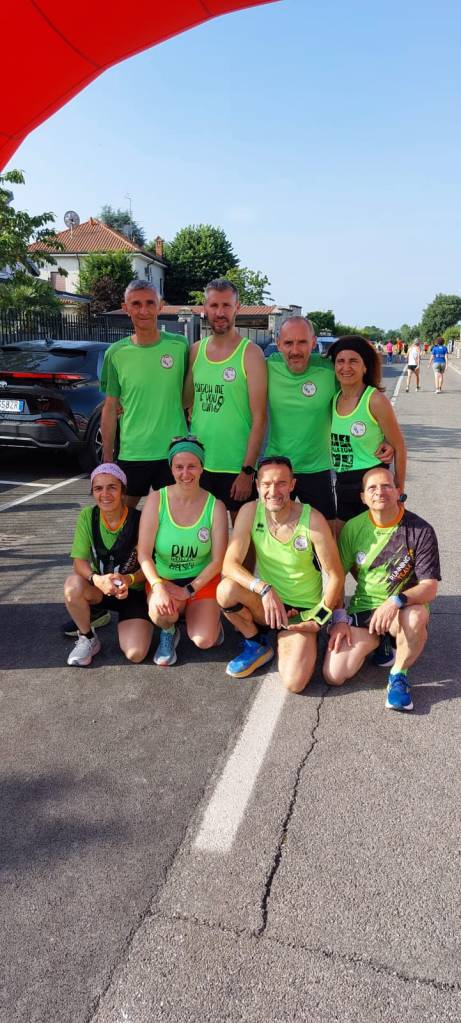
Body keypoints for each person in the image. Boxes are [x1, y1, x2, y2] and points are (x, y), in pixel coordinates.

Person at [216, 456, 344, 692]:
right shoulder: (250, 511)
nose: (273, 491)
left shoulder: (312, 519)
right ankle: (256, 642)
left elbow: (336, 575)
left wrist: (319, 618)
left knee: (295, 683)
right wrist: (264, 589)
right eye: (266, 484)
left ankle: (298, 639)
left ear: (292, 485)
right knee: (226, 590)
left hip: (302, 612)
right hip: (267, 604)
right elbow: (229, 565)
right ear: (257, 485)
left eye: (281, 483)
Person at [322, 467, 440, 712]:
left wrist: (395, 601)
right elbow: (337, 578)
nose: (380, 492)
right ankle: (382, 641)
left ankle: (398, 675)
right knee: (334, 675)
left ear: (398, 491)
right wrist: (339, 619)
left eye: (386, 485)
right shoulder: (353, 528)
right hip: (365, 607)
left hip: (402, 609)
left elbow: (429, 588)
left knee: (416, 617)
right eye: (372, 488)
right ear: (363, 497)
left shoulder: (421, 530)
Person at [264, 318, 394, 522]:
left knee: (325, 533)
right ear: (279, 344)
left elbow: (361, 398)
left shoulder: (329, 369)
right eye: (288, 343)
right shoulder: (267, 366)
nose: (295, 350)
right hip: (276, 467)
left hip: (317, 468)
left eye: (302, 342)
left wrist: (386, 437)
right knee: (272, 530)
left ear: (313, 342)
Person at [137, 435, 228, 666]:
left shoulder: (215, 506)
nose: (185, 473)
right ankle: (169, 630)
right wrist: (157, 587)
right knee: (161, 613)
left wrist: (189, 590)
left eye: (192, 466)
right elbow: (144, 553)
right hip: (165, 579)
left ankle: (208, 619)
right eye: (179, 467)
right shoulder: (157, 499)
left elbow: (218, 560)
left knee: (204, 640)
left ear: (202, 467)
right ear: (171, 468)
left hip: (200, 581)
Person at [183, 278, 267, 518]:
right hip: (199, 464)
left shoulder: (250, 353)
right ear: (205, 308)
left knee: (242, 536)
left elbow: (260, 418)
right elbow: (184, 401)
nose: (220, 313)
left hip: (236, 466)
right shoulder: (196, 351)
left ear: (237, 307)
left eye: (226, 305)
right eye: (214, 305)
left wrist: (247, 470)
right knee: (202, 533)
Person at [100, 280, 188, 505]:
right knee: (123, 517)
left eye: (150, 303)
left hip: (174, 452)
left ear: (160, 306)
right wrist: (107, 457)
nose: (144, 310)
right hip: (132, 452)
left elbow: (194, 393)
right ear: (126, 308)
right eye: (136, 304)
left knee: (173, 518)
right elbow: (110, 406)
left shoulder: (181, 346)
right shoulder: (115, 353)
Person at [64, 464, 153, 666]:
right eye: (98, 488)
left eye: (112, 487)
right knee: (72, 586)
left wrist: (129, 579)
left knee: (135, 654)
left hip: (133, 592)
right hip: (101, 588)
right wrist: (97, 579)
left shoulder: (140, 520)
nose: (105, 494)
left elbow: (151, 564)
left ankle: (144, 621)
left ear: (123, 491)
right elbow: (79, 562)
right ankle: (87, 637)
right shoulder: (88, 516)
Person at [329, 335, 407, 530]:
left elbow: (399, 447)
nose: (346, 367)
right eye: (340, 361)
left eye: (353, 361)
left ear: (365, 367)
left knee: (376, 545)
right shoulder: (334, 398)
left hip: (374, 485)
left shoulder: (374, 400)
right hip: (343, 484)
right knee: (344, 543)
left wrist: (399, 491)